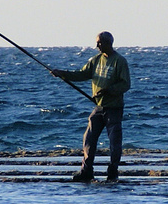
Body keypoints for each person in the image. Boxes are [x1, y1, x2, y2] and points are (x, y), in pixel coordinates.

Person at [51, 31, 131, 182]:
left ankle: (113, 172)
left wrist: (109, 90)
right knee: (88, 138)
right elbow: (81, 74)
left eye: (99, 43)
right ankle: (86, 171)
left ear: (108, 43)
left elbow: (125, 84)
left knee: (114, 142)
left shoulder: (119, 61)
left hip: (114, 108)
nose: (97, 46)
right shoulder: (96, 60)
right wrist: (62, 74)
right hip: (99, 108)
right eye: (97, 43)